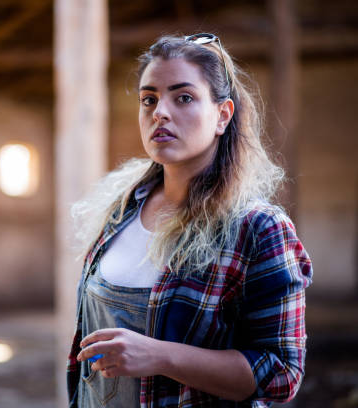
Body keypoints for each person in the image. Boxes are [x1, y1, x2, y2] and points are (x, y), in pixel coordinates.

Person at [66, 33, 312, 408]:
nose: (160, 112)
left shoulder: (257, 229)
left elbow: (281, 373)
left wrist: (162, 356)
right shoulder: (120, 208)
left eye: (183, 97)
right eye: (149, 99)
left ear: (222, 115)